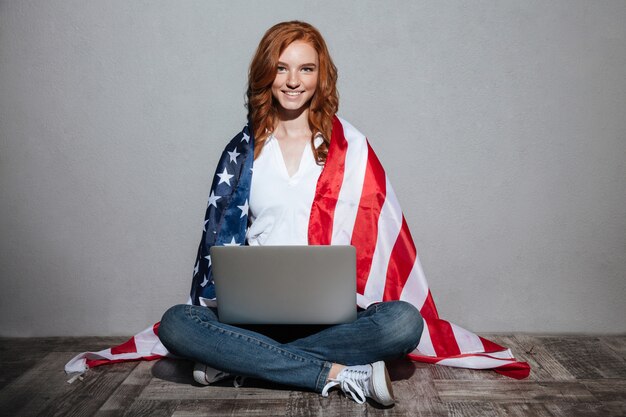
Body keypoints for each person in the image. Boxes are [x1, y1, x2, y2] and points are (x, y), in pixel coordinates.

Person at [157, 21, 424, 407]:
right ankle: (334, 373)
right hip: (253, 318)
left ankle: (241, 361)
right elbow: (219, 245)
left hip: (330, 321)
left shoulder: (350, 148)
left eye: (306, 69)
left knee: (404, 323)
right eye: (282, 68)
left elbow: (373, 242)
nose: (293, 81)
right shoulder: (243, 151)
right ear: (267, 73)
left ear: (321, 76)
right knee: (176, 323)